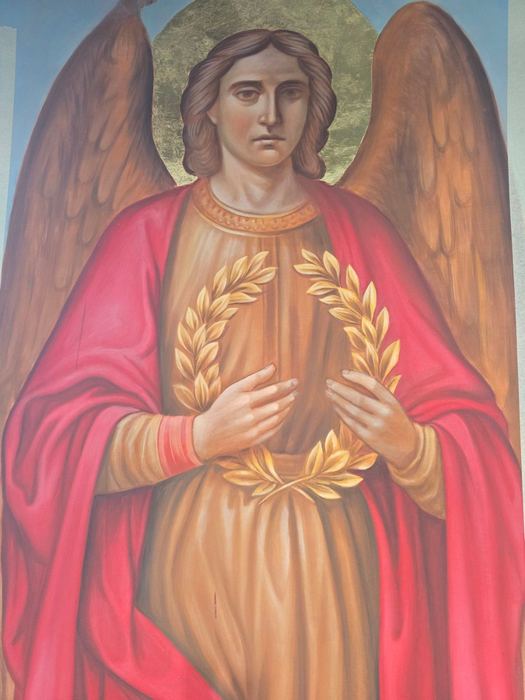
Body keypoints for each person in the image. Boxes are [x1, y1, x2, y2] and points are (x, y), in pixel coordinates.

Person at [2, 29, 523, 700]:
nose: (270, 115)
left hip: (335, 571)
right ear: (209, 108)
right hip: (190, 561)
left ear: (314, 107)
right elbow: (46, 440)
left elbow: (477, 439)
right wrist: (192, 438)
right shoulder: (145, 236)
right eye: (247, 93)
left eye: (290, 93)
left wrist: (413, 447)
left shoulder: (364, 234)